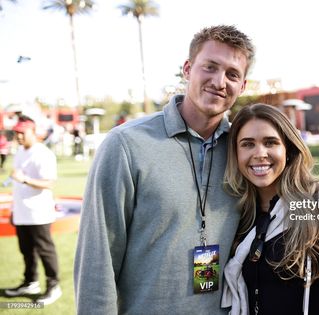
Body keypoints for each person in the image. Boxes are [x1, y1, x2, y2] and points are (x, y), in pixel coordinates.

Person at [74, 25, 255, 314]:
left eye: (232, 74)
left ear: (243, 86)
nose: (220, 81)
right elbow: (98, 256)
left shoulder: (243, 150)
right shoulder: (126, 144)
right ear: (187, 69)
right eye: (210, 67)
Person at [222, 104, 319, 315]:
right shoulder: (238, 215)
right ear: (235, 153)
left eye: (270, 142)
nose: (260, 154)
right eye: (247, 144)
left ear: (288, 149)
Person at [4, 115, 61, 305]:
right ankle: (30, 282)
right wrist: (14, 208)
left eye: (22, 132)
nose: (18, 136)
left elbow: (49, 183)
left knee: (45, 250)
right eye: (16, 132)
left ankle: (54, 286)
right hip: (22, 211)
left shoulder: (43, 153)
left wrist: (25, 180)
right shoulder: (20, 151)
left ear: (33, 131)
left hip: (38, 213)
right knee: (26, 250)